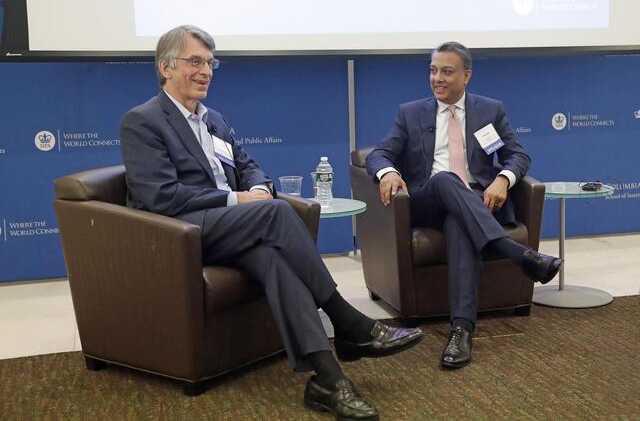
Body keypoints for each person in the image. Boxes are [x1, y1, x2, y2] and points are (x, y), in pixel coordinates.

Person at [120, 25, 423, 420]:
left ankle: (328, 381)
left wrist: (259, 187)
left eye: (211, 63)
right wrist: (237, 198)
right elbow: (160, 196)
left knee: (272, 259)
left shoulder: (214, 120)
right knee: (277, 212)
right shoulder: (143, 121)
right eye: (195, 62)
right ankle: (347, 321)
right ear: (165, 67)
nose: (206, 71)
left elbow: (247, 166)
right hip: (184, 231)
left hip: (234, 226)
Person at [366, 42, 561, 369]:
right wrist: (388, 173)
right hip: (429, 198)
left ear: (466, 75)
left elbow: (517, 155)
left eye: (446, 71)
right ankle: (517, 254)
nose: (437, 78)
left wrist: (503, 179)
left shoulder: (489, 110)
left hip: (475, 202)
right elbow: (378, 154)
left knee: (460, 225)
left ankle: (462, 330)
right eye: (433, 70)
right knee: (444, 179)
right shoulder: (411, 113)